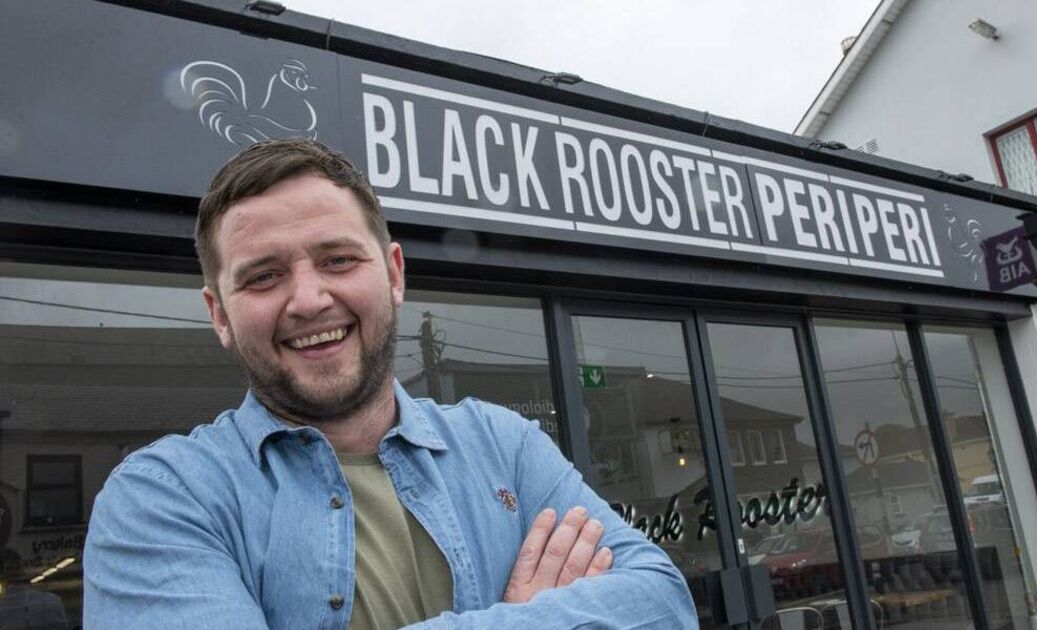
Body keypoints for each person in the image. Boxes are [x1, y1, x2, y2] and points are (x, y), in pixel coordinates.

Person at [83, 139, 697, 629]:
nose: (309, 299)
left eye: (338, 260)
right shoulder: (164, 498)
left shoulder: (502, 446)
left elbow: (664, 604)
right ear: (220, 314)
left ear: (394, 274)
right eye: (264, 276)